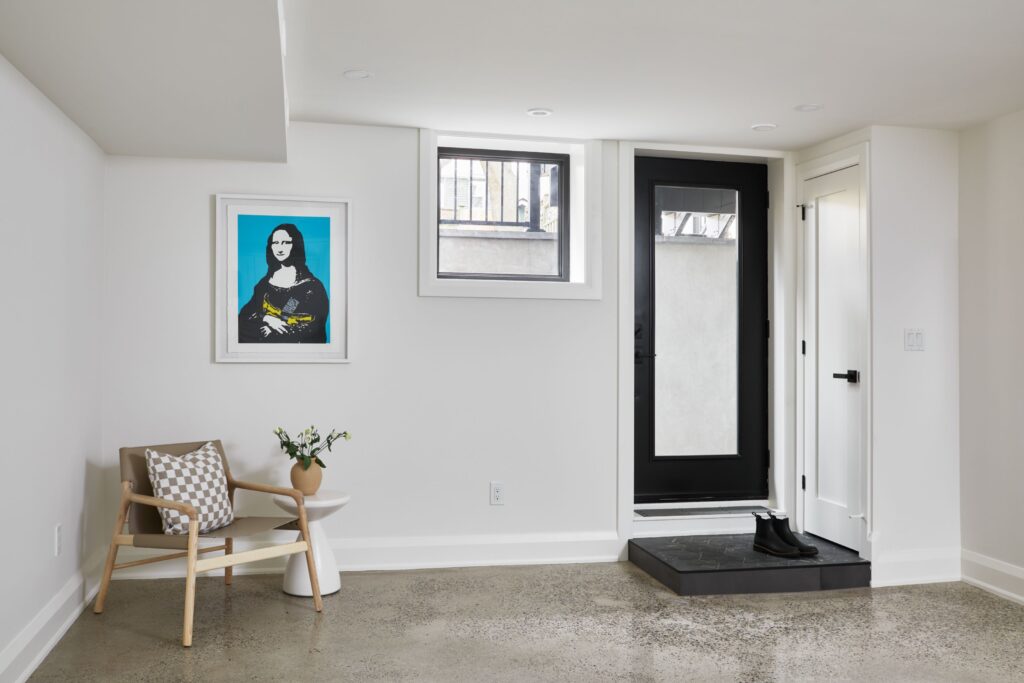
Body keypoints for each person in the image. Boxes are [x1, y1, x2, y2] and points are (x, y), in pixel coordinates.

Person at [238, 223, 328, 343]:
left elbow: (314, 328)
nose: (280, 248)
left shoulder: (311, 286)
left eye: (286, 242)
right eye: (275, 243)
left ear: (295, 245)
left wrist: (272, 330)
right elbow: (244, 316)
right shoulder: (264, 284)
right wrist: (268, 318)